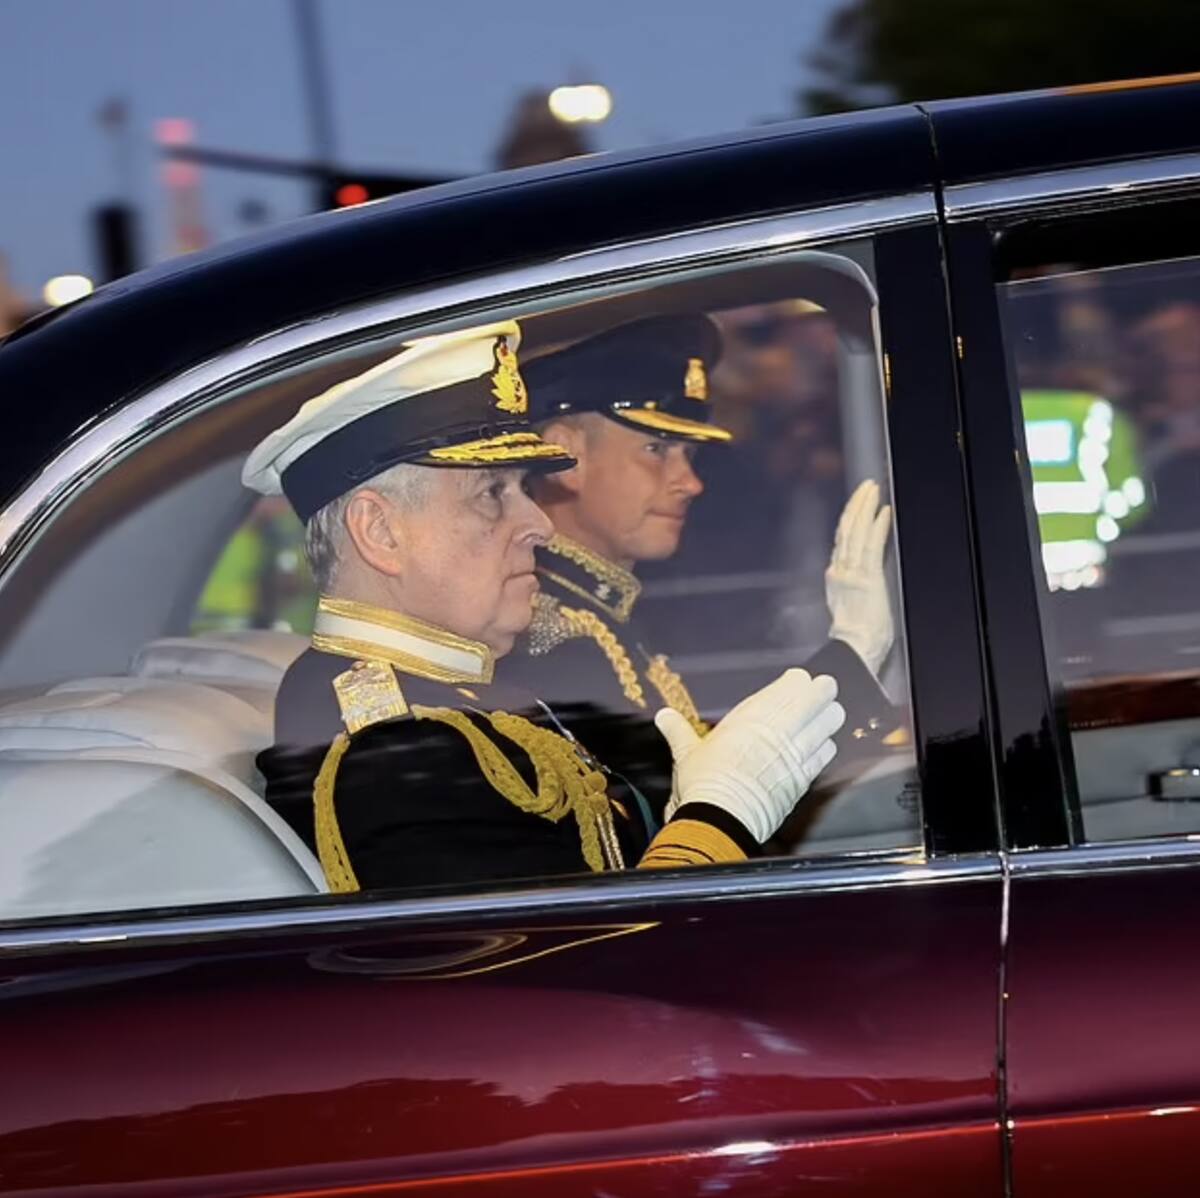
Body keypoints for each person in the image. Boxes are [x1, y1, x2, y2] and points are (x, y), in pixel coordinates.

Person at [245, 320, 846, 894]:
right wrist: (719, 816)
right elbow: (579, 978)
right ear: (380, 531)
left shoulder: (460, 692)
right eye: (492, 494)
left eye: (524, 490)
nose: (536, 523)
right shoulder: (391, 744)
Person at [508, 315, 897, 759]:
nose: (691, 482)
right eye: (656, 450)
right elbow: (695, 804)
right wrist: (851, 655)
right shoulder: (552, 637)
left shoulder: (604, 617)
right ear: (568, 455)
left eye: (688, 454)